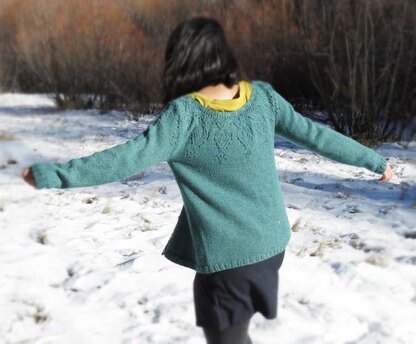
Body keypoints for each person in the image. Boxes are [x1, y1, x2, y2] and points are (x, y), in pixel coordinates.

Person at [22, 16, 393, 344]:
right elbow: (318, 136)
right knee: (234, 328)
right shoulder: (261, 97)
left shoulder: (184, 117)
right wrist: (374, 161)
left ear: (181, 60)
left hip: (231, 260)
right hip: (271, 244)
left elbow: (124, 159)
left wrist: (52, 174)